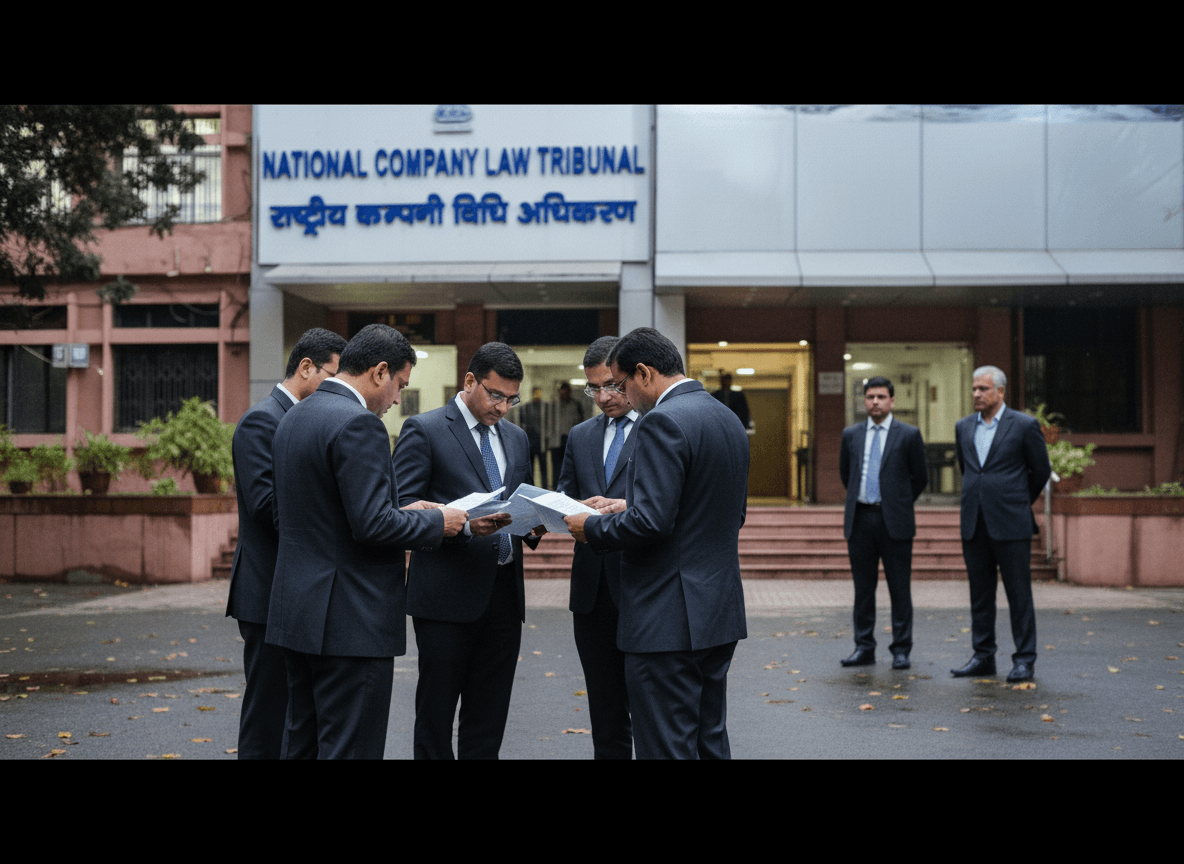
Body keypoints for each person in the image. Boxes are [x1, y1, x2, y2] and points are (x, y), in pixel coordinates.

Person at [265, 324, 467, 759]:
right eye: (400, 385)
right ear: (379, 372)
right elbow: (372, 525)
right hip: (351, 620)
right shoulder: (360, 424)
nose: (397, 399)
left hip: (295, 611)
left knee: (301, 744)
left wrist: (403, 512)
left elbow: (297, 515)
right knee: (351, 748)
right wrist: (439, 522)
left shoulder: (293, 415)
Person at [565, 327, 749, 759]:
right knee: (708, 740)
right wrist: (628, 505)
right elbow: (723, 512)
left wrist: (590, 528)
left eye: (621, 384)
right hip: (717, 611)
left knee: (665, 746)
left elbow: (650, 524)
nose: (621, 396)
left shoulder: (660, 421)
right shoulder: (726, 418)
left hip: (666, 619)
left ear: (644, 374)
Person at [392, 342, 539, 759]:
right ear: (470, 381)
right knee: (436, 718)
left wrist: (539, 520)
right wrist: (463, 527)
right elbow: (403, 510)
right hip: (445, 597)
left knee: (488, 720)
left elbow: (519, 501)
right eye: (496, 395)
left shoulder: (516, 438)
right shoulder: (425, 429)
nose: (503, 408)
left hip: (505, 596)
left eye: (512, 399)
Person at [226, 327, 347, 759]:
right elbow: (265, 506)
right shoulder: (263, 419)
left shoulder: (307, 419)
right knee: (269, 711)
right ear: (306, 367)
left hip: (297, 587)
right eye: (332, 376)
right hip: (266, 591)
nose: (337, 388)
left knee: (298, 713)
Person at [556, 336, 639, 759]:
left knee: (650, 707)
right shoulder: (580, 435)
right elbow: (565, 493)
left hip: (641, 583)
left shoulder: (660, 427)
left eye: (611, 385)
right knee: (605, 710)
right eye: (594, 389)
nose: (604, 397)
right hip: (591, 590)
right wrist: (552, 509)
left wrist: (620, 508)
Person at [951, 365, 1051, 683]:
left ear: (1000, 391)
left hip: (1011, 522)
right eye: (974, 389)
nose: (976, 394)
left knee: (1018, 594)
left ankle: (1024, 660)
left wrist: (1018, 501)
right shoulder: (963, 426)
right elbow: (968, 469)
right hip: (974, 522)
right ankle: (983, 656)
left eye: (983, 389)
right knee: (980, 595)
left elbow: (1040, 470)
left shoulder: (1023, 425)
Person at [838, 376, 928, 670]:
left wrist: (898, 501)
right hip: (861, 519)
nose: (875, 401)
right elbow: (846, 474)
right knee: (863, 590)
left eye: (881, 397)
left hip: (895, 521)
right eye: (870, 397)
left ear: (892, 401)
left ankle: (901, 649)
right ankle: (863, 647)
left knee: (899, 589)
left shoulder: (909, 434)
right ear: (864, 401)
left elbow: (920, 477)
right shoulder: (851, 435)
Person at [547, 381, 584, 489]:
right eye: (561, 392)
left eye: (566, 392)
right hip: (556, 440)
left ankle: (568, 488)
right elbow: (548, 422)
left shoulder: (576, 404)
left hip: (571, 439)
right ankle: (556, 488)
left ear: (569, 392)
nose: (564, 394)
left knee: (570, 466)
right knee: (556, 466)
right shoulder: (553, 405)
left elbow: (581, 423)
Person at [516, 387, 548, 487]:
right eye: (535, 393)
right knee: (530, 468)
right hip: (530, 441)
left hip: (541, 441)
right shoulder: (526, 407)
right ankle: (530, 487)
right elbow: (521, 422)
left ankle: (545, 487)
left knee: (543, 467)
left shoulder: (545, 407)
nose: (537, 395)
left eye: (539, 393)